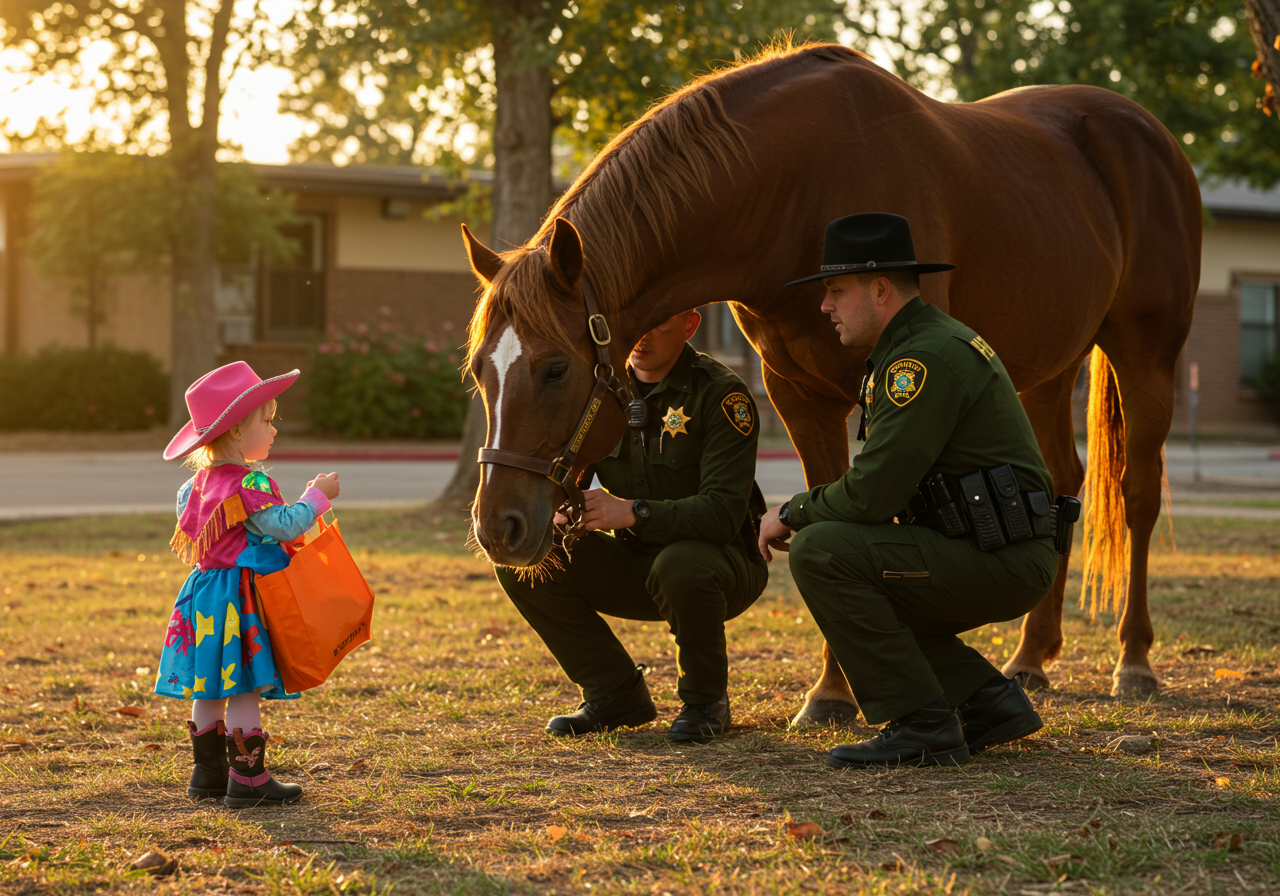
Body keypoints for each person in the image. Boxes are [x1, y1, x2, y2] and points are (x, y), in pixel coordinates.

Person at [758, 213, 1059, 769]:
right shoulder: (916, 345)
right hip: (993, 549)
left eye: (835, 292)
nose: (825, 307)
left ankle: (922, 723)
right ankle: (988, 702)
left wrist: (791, 511)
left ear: (879, 290)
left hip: (1002, 556)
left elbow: (873, 494)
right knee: (853, 569)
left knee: (822, 551)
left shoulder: (922, 360)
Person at [495, 310, 768, 743]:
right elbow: (574, 471)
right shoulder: (603, 388)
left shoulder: (720, 394)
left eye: (658, 322)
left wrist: (633, 512)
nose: (641, 335)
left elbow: (723, 514)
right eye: (635, 322)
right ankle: (614, 694)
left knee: (681, 564)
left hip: (723, 565)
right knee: (527, 555)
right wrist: (564, 511)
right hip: (639, 564)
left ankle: (705, 702)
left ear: (690, 326)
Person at [155, 361, 340, 807]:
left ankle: (207, 772)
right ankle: (249, 780)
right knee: (241, 686)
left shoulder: (192, 486)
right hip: (239, 599)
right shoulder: (253, 481)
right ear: (237, 430)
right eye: (268, 420)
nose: (275, 429)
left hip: (201, 596)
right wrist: (317, 496)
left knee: (210, 685)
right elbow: (282, 527)